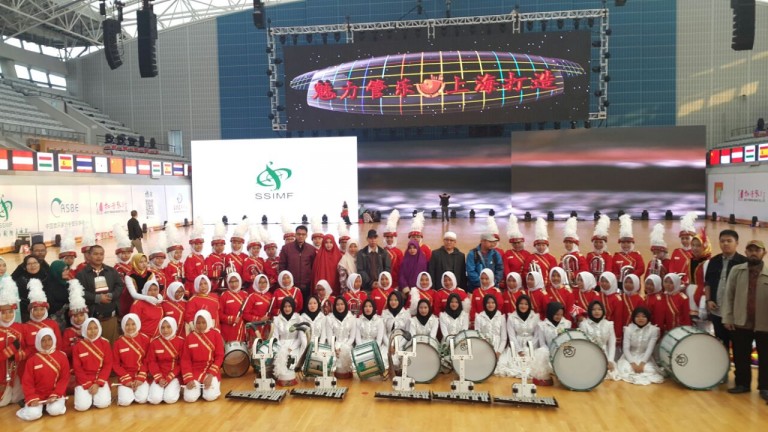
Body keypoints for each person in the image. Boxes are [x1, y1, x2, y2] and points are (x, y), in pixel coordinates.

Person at [722, 239, 768, 398]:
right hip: (741, 321)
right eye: (750, 250)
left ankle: (765, 387)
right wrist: (727, 317)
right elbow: (729, 295)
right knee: (741, 354)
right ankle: (742, 384)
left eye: (757, 250)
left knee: (766, 356)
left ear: (764, 253)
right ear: (746, 252)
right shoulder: (736, 270)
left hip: (764, 323)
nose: (754, 253)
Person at [705, 229, 747, 351]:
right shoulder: (714, 261)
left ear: (737, 243)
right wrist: (708, 300)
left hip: (735, 315)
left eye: (729, 241)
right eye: (722, 241)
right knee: (721, 345)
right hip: (716, 311)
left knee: (738, 346)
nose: (725, 244)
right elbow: (707, 283)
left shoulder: (743, 263)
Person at [16, 328, 68, 421]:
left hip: (55, 395)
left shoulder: (62, 357)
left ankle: (53, 406)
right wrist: (32, 398)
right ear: (38, 341)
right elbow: (27, 382)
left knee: (55, 411)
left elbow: (64, 379)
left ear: (53, 339)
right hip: (38, 396)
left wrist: (56, 394)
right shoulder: (32, 360)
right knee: (33, 415)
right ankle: (24, 410)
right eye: (43, 340)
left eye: (49, 339)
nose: (46, 342)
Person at [76, 245, 124, 343]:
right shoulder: (82, 274)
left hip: (111, 318)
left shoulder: (111, 271)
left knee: (111, 346)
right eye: (95, 254)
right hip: (93, 318)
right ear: (89, 256)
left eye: (101, 254)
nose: (99, 257)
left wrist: (112, 295)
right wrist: (97, 298)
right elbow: (80, 292)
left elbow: (119, 286)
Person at [181, 310, 224, 402]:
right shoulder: (190, 337)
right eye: (198, 322)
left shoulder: (216, 335)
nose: (201, 325)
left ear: (208, 321)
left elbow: (219, 356)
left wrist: (211, 375)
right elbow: (185, 360)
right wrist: (188, 379)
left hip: (210, 371)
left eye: (203, 322)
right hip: (194, 371)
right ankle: (199, 389)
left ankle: (204, 388)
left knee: (210, 397)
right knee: (190, 398)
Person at [72, 318, 113, 411]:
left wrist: (98, 383)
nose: (93, 331)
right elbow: (77, 368)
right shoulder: (77, 346)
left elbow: (108, 365)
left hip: (100, 379)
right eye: (89, 328)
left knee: (102, 404)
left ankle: (95, 397)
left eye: (95, 328)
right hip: (84, 380)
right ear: (84, 329)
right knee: (82, 407)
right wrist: (88, 384)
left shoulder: (105, 343)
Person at [617, 307, 664, 385]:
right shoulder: (628, 329)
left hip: (645, 357)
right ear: (633, 317)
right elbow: (626, 349)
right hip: (630, 356)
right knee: (626, 369)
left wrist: (642, 364)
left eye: (643, 316)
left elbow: (650, 349)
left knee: (649, 370)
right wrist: (633, 363)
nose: (640, 319)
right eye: (637, 316)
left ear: (648, 317)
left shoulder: (654, 330)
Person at [113, 313, 150, 406]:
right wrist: (127, 380)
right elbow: (115, 364)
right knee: (125, 402)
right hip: (125, 377)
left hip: (140, 376)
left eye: (133, 324)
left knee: (142, 399)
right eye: (127, 324)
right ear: (123, 326)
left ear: (138, 324)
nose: (130, 327)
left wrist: (140, 378)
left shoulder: (145, 339)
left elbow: (147, 360)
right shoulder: (118, 343)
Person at [531, 302, 571, 386]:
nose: (559, 317)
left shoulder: (567, 323)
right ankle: (546, 377)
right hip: (548, 350)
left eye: (561, 314)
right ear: (551, 312)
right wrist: (551, 351)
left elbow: (568, 340)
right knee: (542, 352)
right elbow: (542, 343)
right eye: (556, 314)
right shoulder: (542, 325)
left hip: (562, 350)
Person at [22, 279, 63, 360]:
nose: (39, 312)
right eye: (36, 310)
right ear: (31, 311)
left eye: (41, 309)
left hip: (51, 359)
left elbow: (59, 344)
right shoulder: (25, 326)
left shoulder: (53, 324)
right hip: (32, 360)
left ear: (46, 310)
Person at [147, 317, 183, 405]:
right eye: (162, 328)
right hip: (159, 376)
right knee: (155, 400)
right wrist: (159, 378)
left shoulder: (181, 342)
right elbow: (152, 362)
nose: (165, 330)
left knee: (169, 399)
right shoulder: (154, 342)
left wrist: (170, 377)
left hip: (174, 376)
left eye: (168, 327)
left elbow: (182, 363)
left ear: (174, 327)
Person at [279, 225, 317, 309]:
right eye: (299, 234)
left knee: (306, 308)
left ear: (306, 235)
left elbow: (313, 267)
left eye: (303, 234)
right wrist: (284, 283)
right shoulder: (286, 248)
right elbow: (281, 267)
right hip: (291, 287)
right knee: (293, 309)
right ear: (295, 234)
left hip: (306, 286)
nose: (301, 236)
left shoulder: (311, 249)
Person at [0, 279, 24, 407]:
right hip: (1, 372)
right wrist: (10, 351)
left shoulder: (20, 328)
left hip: (17, 372)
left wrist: (17, 355)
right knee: (2, 403)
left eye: (10, 312)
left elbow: (27, 350)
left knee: (16, 400)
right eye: (3, 313)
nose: (7, 315)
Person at [579, 301, 618, 380]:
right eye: (594, 309)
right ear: (590, 311)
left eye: (599, 309)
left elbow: (612, 344)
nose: (597, 311)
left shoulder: (609, 324)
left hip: (605, 355)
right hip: (588, 355)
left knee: (610, 373)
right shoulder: (584, 324)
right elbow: (582, 344)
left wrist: (610, 360)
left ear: (603, 310)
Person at [504, 295, 540, 378]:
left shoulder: (535, 317)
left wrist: (529, 348)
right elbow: (512, 336)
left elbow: (537, 335)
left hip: (532, 345)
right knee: (513, 366)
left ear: (529, 305)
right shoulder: (511, 317)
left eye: (526, 304)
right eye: (521, 303)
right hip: (516, 344)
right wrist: (519, 350)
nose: (523, 306)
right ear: (517, 304)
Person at [272, 297, 306, 386]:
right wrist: (282, 348)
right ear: (282, 308)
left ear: (293, 307)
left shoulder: (299, 319)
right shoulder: (277, 319)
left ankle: (292, 378)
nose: (287, 309)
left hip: (294, 345)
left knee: (291, 360)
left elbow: (300, 338)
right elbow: (275, 337)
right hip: (280, 345)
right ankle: (281, 379)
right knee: (280, 359)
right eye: (285, 306)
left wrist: (291, 348)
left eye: (289, 306)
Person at [474, 295, 507, 375]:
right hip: (484, 347)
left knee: (500, 368)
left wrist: (498, 352)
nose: (490, 305)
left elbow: (504, 338)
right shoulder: (479, 317)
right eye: (488, 303)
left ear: (496, 304)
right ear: (485, 304)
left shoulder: (501, 317)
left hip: (498, 347)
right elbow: (477, 335)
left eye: (492, 303)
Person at [326, 297, 357, 379]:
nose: (340, 307)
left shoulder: (352, 318)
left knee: (347, 355)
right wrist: (335, 348)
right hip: (334, 345)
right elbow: (330, 338)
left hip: (348, 344)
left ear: (345, 305)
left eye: (342, 304)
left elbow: (352, 337)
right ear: (334, 306)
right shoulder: (329, 318)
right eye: (337, 304)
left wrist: (344, 347)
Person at [611, 215, 645, 288]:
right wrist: (617, 276)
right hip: (619, 284)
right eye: (623, 243)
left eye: (628, 243)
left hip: (633, 283)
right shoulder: (616, 256)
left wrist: (631, 277)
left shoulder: (637, 255)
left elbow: (641, 269)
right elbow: (613, 269)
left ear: (632, 243)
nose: (625, 245)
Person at [522, 218, 558, 288]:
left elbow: (554, 274)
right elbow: (525, 272)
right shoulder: (530, 258)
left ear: (546, 246)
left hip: (548, 287)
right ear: (535, 246)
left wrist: (550, 285)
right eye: (538, 245)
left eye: (543, 245)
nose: (541, 247)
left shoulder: (552, 258)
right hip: (533, 286)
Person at [14, 256, 49, 322]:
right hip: (26, 314)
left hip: (46, 313)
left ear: (39, 264)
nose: (32, 266)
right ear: (25, 267)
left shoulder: (46, 276)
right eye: (29, 264)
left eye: (35, 263)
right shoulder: (21, 280)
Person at [356, 299, 386, 368]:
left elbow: (379, 340)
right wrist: (363, 349)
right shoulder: (358, 320)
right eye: (365, 306)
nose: (368, 308)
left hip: (375, 346)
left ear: (374, 308)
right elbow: (357, 338)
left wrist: (373, 350)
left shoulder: (379, 321)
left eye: (370, 306)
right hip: (361, 346)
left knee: (380, 361)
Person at [219, 273, 248, 343]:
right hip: (229, 329)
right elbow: (219, 314)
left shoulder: (245, 295)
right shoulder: (224, 295)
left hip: (242, 327)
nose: (234, 284)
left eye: (236, 281)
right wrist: (231, 319)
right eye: (231, 282)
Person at [504, 215, 531, 289]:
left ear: (522, 242)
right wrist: (510, 280)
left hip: (524, 282)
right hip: (511, 281)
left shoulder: (528, 254)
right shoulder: (507, 253)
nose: (517, 245)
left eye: (518, 243)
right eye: (514, 243)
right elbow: (506, 269)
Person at [598, 272, 626, 342]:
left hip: (611, 332)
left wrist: (617, 337)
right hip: (598, 330)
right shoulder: (598, 295)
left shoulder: (617, 299)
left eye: (607, 281)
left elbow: (618, 320)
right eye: (602, 281)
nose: (604, 283)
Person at [560, 217, 588, 286]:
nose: (567, 244)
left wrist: (574, 274)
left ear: (575, 244)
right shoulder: (565, 256)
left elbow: (585, 270)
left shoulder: (579, 256)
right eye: (566, 243)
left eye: (570, 243)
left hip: (576, 284)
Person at [244, 274, 273, 340]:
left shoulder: (270, 296)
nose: (262, 284)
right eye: (260, 282)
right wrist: (259, 319)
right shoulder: (252, 296)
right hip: (255, 327)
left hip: (267, 327)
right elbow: (245, 314)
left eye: (264, 282)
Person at [45, 260, 71, 331]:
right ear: (56, 272)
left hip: (68, 320)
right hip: (55, 323)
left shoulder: (66, 284)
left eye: (67, 269)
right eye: (63, 270)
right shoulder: (48, 286)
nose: (67, 272)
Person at [184, 220, 208, 297]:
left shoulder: (201, 256)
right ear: (192, 245)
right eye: (196, 244)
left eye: (200, 244)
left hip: (202, 285)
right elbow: (189, 276)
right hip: (194, 286)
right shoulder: (190, 258)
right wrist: (201, 279)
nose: (199, 246)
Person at [586, 215, 613, 281]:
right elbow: (587, 269)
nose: (598, 244)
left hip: (603, 282)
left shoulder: (607, 255)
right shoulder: (589, 255)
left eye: (600, 242)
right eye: (596, 242)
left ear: (604, 244)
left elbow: (608, 269)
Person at [383, 210, 403, 290]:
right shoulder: (381, 251)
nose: (389, 239)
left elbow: (401, 268)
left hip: (396, 283)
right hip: (384, 282)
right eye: (387, 237)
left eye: (391, 237)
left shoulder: (399, 252)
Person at [206, 222, 228, 293]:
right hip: (214, 286)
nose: (219, 247)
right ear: (213, 246)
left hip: (226, 285)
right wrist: (220, 273)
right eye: (217, 245)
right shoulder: (209, 258)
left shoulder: (226, 256)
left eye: (221, 245)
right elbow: (207, 273)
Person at [164, 222, 186, 287]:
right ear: (171, 254)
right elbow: (168, 283)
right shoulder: (169, 267)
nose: (179, 254)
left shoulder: (181, 265)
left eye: (180, 252)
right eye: (176, 253)